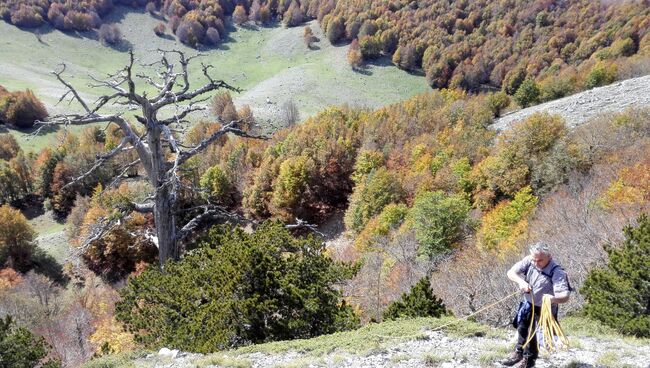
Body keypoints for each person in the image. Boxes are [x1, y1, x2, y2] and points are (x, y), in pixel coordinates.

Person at [501, 242, 571, 368]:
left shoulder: (557, 272)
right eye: (535, 260)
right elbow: (511, 272)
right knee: (522, 327)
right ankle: (519, 352)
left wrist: (553, 299)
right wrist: (521, 282)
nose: (537, 263)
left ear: (550, 257)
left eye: (540, 260)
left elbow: (565, 296)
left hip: (545, 308)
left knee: (534, 333)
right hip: (528, 302)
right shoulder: (529, 260)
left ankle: (529, 360)